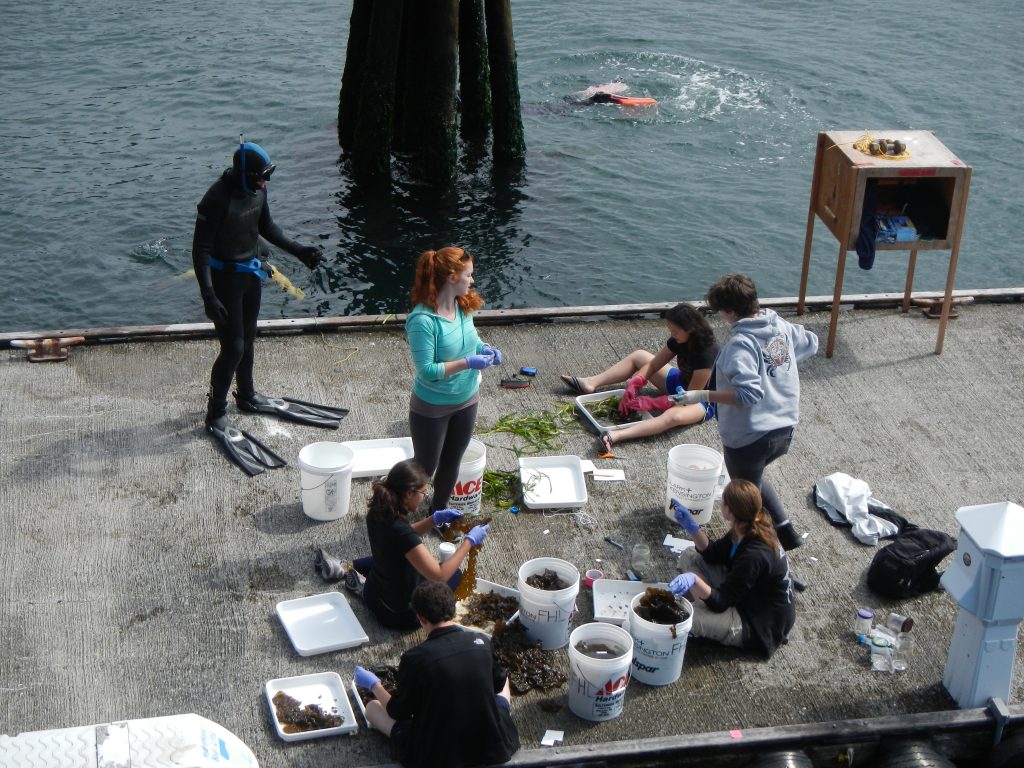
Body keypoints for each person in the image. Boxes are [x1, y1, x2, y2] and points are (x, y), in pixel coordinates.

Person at [192, 136, 343, 474]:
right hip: (225, 280)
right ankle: (215, 412)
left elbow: (266, 227)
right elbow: (200, 251)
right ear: (243, 173)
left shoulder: (258, 190)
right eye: (260, 176)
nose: (265, 182)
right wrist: (208, 296)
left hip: (251, 275)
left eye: (267, 176)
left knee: (249, 339)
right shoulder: (215, 199)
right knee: (233, 347)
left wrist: (299, 250)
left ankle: (246, 396)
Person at [676, 274, 818, 550]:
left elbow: (749, 394)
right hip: (784, 430)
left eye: (720, 311)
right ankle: (787, 534)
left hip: (749, 438)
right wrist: (775, 366)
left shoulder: (740, 345)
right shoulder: (780, 326)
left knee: (743, 506)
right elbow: (810, 342)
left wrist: (701, 395)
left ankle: (757, 555)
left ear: (729, 311)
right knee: (755, 479)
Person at [355, 581, 520, 768]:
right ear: (453, 610)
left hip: (438, 755)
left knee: (373, 708)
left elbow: (397, 711)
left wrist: (374, 684)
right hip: (493, 746)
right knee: (503, 679)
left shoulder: (414, 658)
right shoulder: (482, 641)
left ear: (421, 618)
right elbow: (497, 685)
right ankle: (503, 709)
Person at [406, 247, 503, 512]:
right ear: (451, 277)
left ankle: (439, 513)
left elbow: (471, 340)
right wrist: (467, 363)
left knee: (453, 462)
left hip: (467, 399)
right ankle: (396, 508)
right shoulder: (422, 320)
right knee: (424, 468)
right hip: (432, 407)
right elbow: (426, 370)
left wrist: (484, 350)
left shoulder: (463, 305)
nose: (472, 280)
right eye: (468, 275)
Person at [347, 459, 489, 631]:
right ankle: (349, 570)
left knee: (386, 554)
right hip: (399, 616)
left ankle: (347, 567)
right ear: (408, 493)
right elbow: (439, 575)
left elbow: (401, 537)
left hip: (374, 595)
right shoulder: (401, 532)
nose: (424, 497)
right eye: (423, 492)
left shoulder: (378, 511)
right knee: (455, 575)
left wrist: (433, 520)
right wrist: (469, 541)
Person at [560, 303, 719, 453]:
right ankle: (590, 382)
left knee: (673, 416)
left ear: (690, 329)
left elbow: (690, 397)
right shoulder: (679, 339)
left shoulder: (707, 352)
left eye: (675, 332)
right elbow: (652, 365)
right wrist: (637, 381)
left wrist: (654, 402)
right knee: (640, 356)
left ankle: (615, 436)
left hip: (701, 399)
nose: (672, 335)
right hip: (680, 382)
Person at [668, 480, 795, 658]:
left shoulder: (754, 555)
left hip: (758, 624)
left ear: (729, 510)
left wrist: (694, 579)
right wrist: (693, 528)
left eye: (723, 501)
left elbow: (721, 602)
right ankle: (699, 600)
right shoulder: (750, 523)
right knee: (690, 554)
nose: (720, 503)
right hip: (748, 595)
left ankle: (702, 612)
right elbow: (713, 554)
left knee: (687, 619)